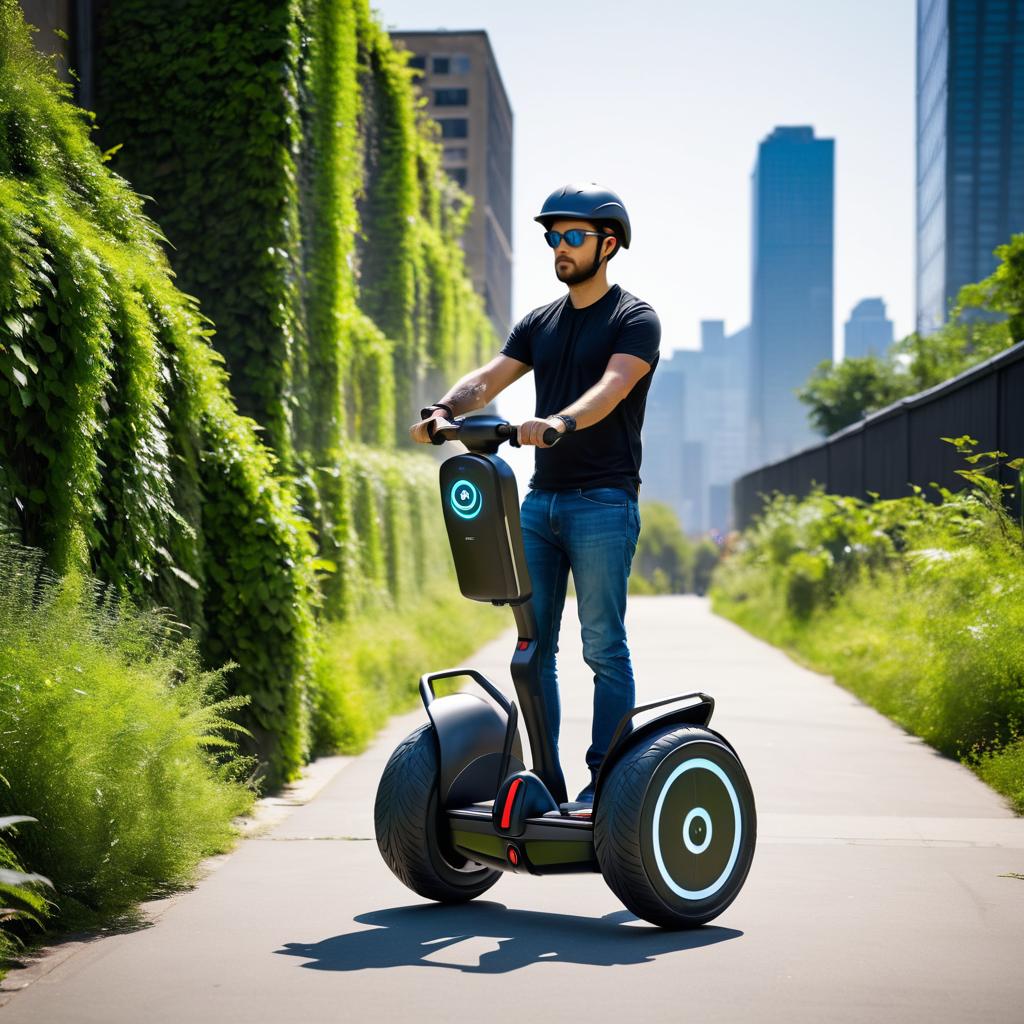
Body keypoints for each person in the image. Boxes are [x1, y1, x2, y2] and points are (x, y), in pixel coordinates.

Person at [411, 183, 661, 804]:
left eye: (573, 236)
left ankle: (607, 782)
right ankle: (547, 779)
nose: (560, 247)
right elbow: (492, 378)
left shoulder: (635, 319)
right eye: (553, 237)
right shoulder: (540, 322)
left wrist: (560, 422)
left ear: (608, 244)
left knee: (603, 644)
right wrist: (444, 407)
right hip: (541, 504)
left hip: (603, 501)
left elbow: (612, 387)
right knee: (531, 645)